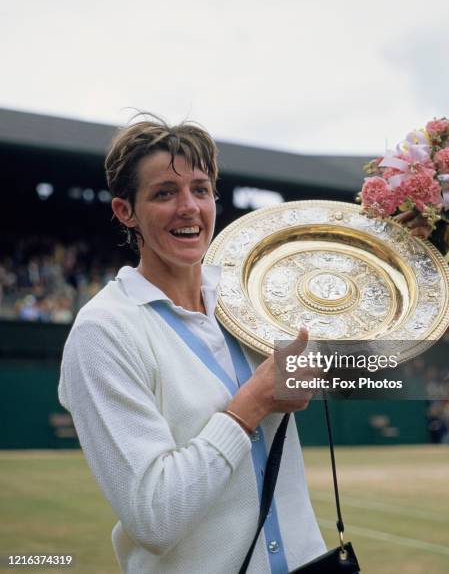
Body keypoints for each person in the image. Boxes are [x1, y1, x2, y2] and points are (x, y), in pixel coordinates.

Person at [58, 116, 326, 573]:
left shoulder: (252, 296)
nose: (189, 207)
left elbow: (359, 330)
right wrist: (249, 408)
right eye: (165, 193)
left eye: (200, 190)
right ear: (125, 211)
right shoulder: (102, 333)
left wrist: (407, 237)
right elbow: (155, 517)